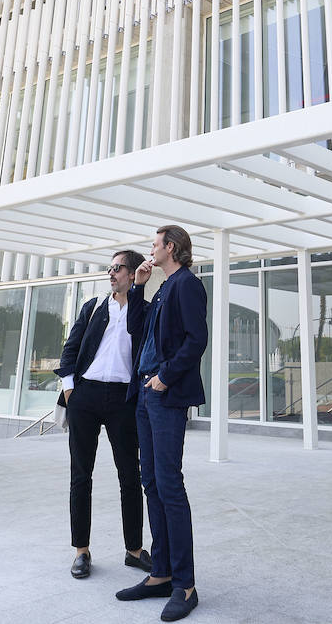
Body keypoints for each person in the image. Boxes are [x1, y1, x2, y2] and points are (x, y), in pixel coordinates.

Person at [117, 225, 208, 622]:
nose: (150, 250)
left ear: (170, 247)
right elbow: (136, 328)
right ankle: (162, 573)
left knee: (169, 484)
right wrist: (137, 287)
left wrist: (166, 376)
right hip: (145, 393)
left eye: (154, 245)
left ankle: (185, 585)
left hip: (165, 393)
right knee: (150, 481)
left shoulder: (188, 284)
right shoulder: (162, 287)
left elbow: (196, 338)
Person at [56, 249, 152, 579]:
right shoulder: (94, 306)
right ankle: (81, 551)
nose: (111, 273)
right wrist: (71, 390)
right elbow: (70, 350)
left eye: (118, 268)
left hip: (123, 399)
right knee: (81, 475)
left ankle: (134, 549)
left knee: (129, 475)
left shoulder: (144, 311)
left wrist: (138, 290)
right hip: (86, 396)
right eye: (109, 268)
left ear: (134, 272)